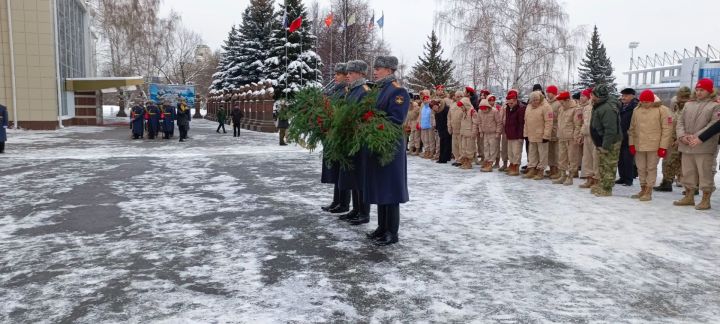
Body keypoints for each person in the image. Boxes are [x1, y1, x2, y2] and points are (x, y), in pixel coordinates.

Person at [363, 55, 410, 246]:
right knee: (381, 188)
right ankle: (382, 228)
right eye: (375, 68)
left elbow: (396, 119)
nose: (375, 71)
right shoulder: (379, 90)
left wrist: (372, 123)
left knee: (391, 190)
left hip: (390, 145)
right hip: (378, 144)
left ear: (389, 70)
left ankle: (392, 232)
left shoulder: (398, 92)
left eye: (379, 68)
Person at [674, 78, 720, 210]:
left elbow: (713, 125)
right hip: (687, 145)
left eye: (702, 90)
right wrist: (682, 136)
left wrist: (696, 136)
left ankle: (706, 199)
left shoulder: (715, 105)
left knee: (705, 173)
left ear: (710, 90)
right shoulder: (689, 104)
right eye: (697, 90)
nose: (699, 92)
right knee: (687, 172)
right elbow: (680, 122)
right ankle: (689, 196)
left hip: (703, 146)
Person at [338, 60, 371, 225]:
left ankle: (364, 212)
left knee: (361, 176)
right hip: (350, 138)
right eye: (348, 73)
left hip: (360, 139)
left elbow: (366, 115)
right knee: (353, 175)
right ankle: (356, 209)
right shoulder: (352, 90)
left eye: (351, 73)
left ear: (360, 73)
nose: (348, 75)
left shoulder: (364, 91)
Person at [627, 90, 672, 201]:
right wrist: (631, 144)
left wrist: (663, 147)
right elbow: (632, 129)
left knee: (651, 168)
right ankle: (642, 188)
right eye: (643, 102)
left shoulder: (662, 110)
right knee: (641, 168)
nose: (645, 104)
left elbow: (667, 129)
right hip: (639, 145)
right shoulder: (636, 110)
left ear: (652, 101)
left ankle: (648, 190)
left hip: (654, 145)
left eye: (647, 102)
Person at [321, 63, 350, 214]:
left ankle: (343, 203)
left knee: (342, 170)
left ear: (346, 76)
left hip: (340, 136)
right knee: (336, 170)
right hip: (332, 134)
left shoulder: (345, 92)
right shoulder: (334, 91)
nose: (335, 77)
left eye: (338, 74)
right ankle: (336, 201)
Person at [654, 87, 691, 192]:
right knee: (668, 161)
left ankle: (692, 187)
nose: (681, 99)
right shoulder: (676, 106)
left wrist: (680, 138)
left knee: (686, 164)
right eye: (680, 96)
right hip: (673, 138)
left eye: (684, 96)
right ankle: (667, 182)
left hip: (684, 139)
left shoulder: (690, 107)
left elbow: (688, 124)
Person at [590, 84, 622, 197]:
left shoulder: (607, 108)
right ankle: (603, 185)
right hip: (602, 141)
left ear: (598, 96)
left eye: (593, 94)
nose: (591, 96)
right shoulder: (600, 104)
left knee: (609, 165)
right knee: (602, 164)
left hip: (609, 142)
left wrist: (605, 146)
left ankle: (607, 189)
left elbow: (611, 130)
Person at [553, 91, 583, 186]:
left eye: (562, 102)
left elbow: (577, 125)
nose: (561, 104)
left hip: (571, 138)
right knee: (562, 157)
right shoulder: (561, 108)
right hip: (561, 136)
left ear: (567, 100)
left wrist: (576, 136)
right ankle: (562, 175)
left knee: (572, 158)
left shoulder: (576, 109)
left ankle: (570, 176)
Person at [522, 91, 553, 180]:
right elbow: (526, 121)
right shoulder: (528, 107)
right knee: (532, 153)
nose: (535, 102)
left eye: (537, 100)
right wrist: (526, 133)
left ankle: (540, 170)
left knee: (542, 154)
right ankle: (532, 168)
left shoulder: (546, 107)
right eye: (533, 100)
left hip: (541, 135)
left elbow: (549, 122)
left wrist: (546, 135)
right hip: (531, 135)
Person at [617, 88, 639, 186]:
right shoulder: (621, 106)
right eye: (622, 96)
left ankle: (629, 179)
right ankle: (622, 177)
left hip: (629, 136)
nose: (623, 98)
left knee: (628, 159)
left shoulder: (635, 107)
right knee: (620, 158)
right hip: (620, 136)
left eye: (625, 96)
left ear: (632, 96)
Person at [578, 88, 598, 189]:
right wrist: (581, 134)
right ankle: (589, 178)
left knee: (596, 159)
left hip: (595, 136)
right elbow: (584, 122)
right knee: (587, 159)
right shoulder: (587, 107)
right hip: (587, 135)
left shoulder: (597, 106)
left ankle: (596, 179)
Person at [476, 99, 503, 172]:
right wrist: (481, 131)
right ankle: (486, 161)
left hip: (493, 133)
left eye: (485, 108)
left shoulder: (494, 111)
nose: (484, 110)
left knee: (493, 149)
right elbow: (479, 122)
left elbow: (499, 122)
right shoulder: (480, 112)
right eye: (482, 108)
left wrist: (498, 132)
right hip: (485, 133)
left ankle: (490, 163)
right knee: (486, 148)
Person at [503, 90, 526, 176]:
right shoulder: (508, 108)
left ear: (515, 100)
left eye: (511, 103)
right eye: (508, 103)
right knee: (510, 152)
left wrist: (521, 136)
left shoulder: (521, 109)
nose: (509, 104)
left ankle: (516, 167)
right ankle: (512, 164)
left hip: (517, 135)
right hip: (510, 134)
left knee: (516, 152)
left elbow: (521, 123)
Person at [545, 85, 561, 179]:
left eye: (549, 92)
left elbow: (559, 117)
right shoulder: (547, 103)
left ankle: (557, 169)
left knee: (556, 151)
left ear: (554, 93)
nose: (547, 94)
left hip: (556, 129)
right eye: (547, 92)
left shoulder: (558, 103)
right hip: (548, 131)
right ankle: (551, 169)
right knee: (550, 151)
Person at [488, 95, 508, 171]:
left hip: (498, 130)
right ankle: (490, 161)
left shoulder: (498, 108)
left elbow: (500, 120)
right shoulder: (486, 109)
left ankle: (497, 162)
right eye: (489, 100)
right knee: (491, 147)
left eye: (492, 101)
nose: (491, 102)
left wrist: (499, 130)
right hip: (490, 131)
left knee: (498, 147)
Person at [457, 97, 478, 170]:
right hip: (464, 133)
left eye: (462, 106)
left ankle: (469, 162)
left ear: (466, 105)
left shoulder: (472, 111)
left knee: (469, 149)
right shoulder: (464, 112)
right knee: (464, 148)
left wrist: (473, 133)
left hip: (470, 134)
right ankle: (465, 161)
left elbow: (475, 123)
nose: (461, 108)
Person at [448, 91, 465, 166]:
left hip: (461, 129)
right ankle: (457, 159)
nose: (458, 98)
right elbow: (449, 117)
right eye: (457, 96)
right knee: (455, 146)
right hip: (454, 129)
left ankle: (462, 160)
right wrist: (449, 126)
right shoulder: (452, 105)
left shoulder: (465, 105)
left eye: (460, 96)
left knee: (461, 146)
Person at [433, 96, 452, 164]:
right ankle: (443, 157)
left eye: (434, 106)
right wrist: (437, 128)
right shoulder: (437, 111)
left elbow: (448, 119)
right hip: (441, 129)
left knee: (446, 144)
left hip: (446, 129)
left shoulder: (445, 109)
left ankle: (444, 158)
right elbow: (437, 121)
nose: (434, 108)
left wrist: (448, 128)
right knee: (443, 144)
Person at [419, 94, 435, 159]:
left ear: (429, 100)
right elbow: (421, 117)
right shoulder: (423, 107)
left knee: (431, 140)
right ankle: (427, 151)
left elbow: (433, 116)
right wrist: (420, 124)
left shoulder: (430, 107)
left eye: (427, 99)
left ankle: (431, 152)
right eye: (424, 100)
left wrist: (433, 124)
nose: (426, 101)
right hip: (424, 125)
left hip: (430, 125)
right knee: (425, 140)